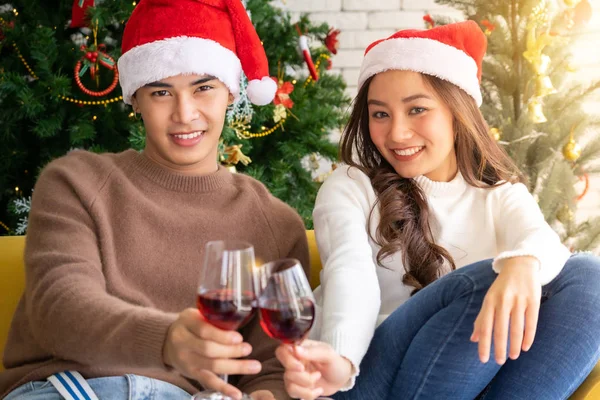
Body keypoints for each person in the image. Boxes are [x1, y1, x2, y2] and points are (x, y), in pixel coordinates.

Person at [275, 20, 600, 400]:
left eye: (416, 110)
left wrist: (522, 264)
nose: (396, 133)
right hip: (360, 376)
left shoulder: (497, 193)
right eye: (380, 114)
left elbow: (541, 241)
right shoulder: (351, 185)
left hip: (455, 381)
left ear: (458, 114)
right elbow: (350, 273)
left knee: (589, 276)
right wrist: (341, 357)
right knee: (483, 282)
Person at [0, 1, 308, 399]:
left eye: (204, 88)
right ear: (136, 100)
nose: (185, 113)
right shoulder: (76, 182)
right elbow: (58, 307)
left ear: (230, 93)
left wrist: (268, 394)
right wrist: (164, 340)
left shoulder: (275, 223)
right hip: (69, 388)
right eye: (161, 92)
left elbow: (268, 368)